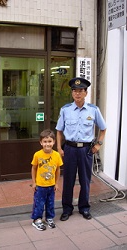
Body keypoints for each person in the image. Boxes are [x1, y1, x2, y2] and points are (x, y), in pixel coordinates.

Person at [55, 77, 107, 221]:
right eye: (75, 91)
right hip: (70, 149)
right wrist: (59, 148)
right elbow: (59, 131)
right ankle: (67, 209)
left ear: (85, 93)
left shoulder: (93, 110)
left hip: (86, 150)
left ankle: (84, 208)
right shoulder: (65, 110)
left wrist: (98, 144)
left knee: (85, 180)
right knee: (68, 181)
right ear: (72, 93)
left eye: (80, 91)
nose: (77, 94)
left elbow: (103, 129)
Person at [31, 129, 63, 231]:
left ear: (54, 142)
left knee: (50, 203)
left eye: (49, 141)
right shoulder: (37, 155)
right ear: (41, 142)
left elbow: (58, 170)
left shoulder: (57, 155)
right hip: (40, 186)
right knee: (39, 203)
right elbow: (34, 168)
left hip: (51, 185)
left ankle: (49, 218)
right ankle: (37, 219)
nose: (47, 144)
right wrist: (34, 182)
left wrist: (56, 183)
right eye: (45, 142)